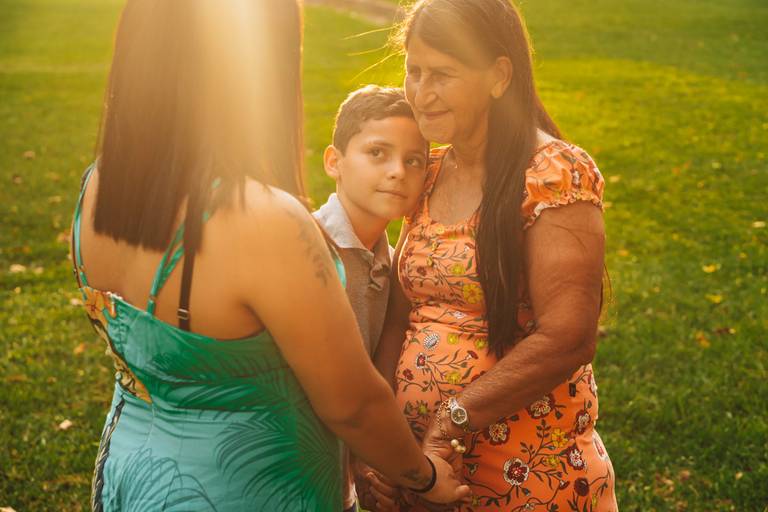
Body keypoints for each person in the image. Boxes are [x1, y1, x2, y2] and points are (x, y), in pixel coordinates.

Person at [70, 1, 470, 510]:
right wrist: (424, 476)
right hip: (238, 491)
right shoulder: (264, 221)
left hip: (129, 475)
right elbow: (353, 405)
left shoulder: (98, 187)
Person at [371, 0, 619, 510]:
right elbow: (401, 315)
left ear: (499, 76)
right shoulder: (429, 169)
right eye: (413, 71)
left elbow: (568, 337)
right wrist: (384, 446)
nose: (421, 93)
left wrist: (448, 422)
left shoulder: (552, 173)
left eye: (442, 74)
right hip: (424, 473)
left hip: (527, 474)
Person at [313, 85, 430, 511]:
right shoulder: (307, 248)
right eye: (377, 153)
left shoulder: (399, 266)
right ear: (335, 162)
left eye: (413, 160)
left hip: (339, 477)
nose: (398, 171)